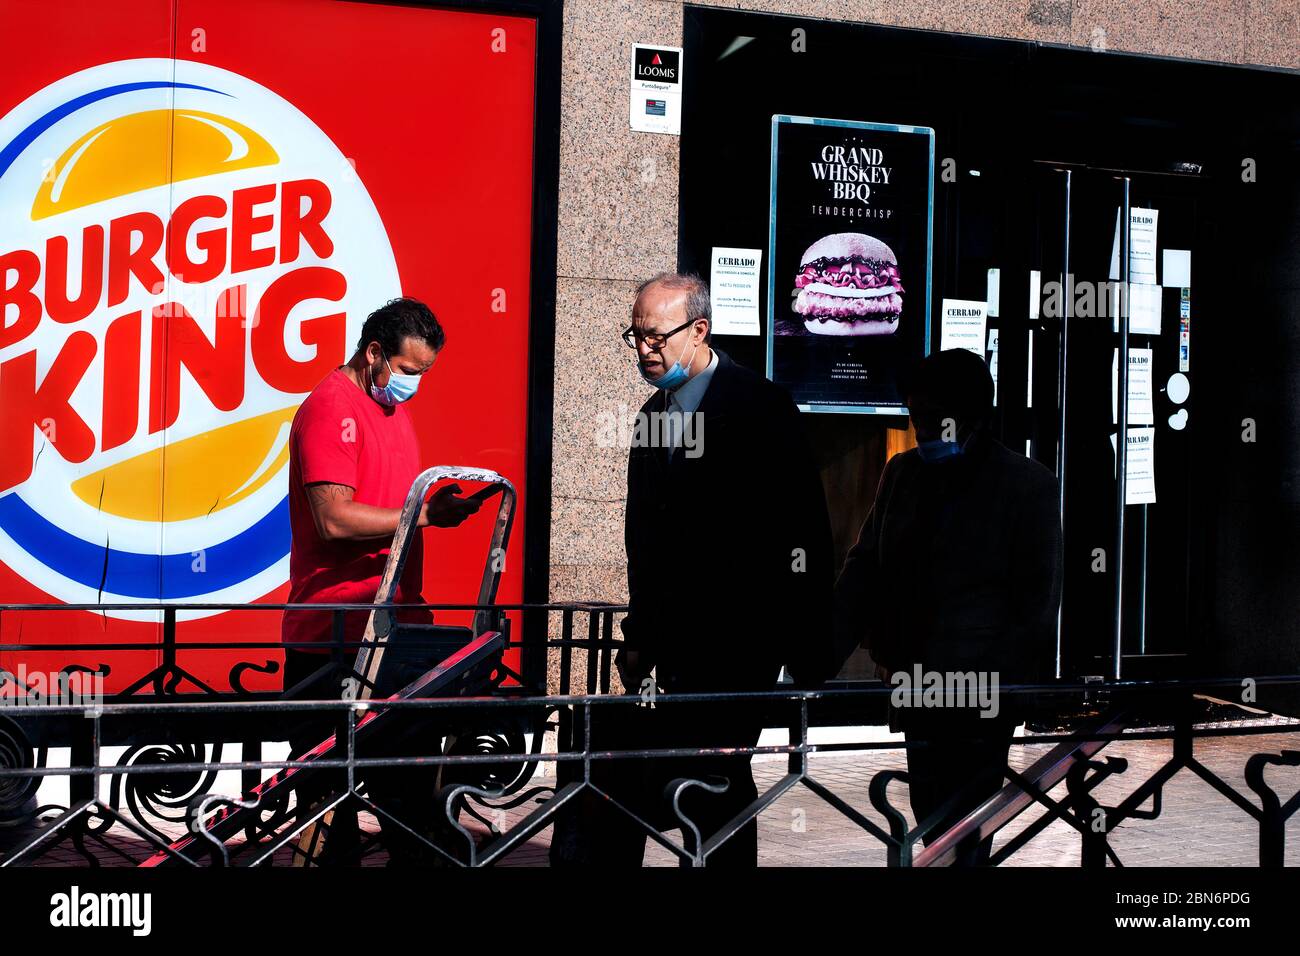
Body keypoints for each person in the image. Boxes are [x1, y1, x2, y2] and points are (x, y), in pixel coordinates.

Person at [552, 272, 835, 867]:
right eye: (635, 337)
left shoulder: (760, 405)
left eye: (656, 336)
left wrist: (804, 653)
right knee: (667, 779)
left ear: (699, 329)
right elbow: (643, 540)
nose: (645, 350)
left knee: (719, 780)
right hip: (673, 645)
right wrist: (639, 638)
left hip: (741, 644)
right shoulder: (653, 415)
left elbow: (803, 530)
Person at [834, 348, 1063, 866]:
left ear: (976, 416)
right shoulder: (903, 475)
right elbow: (865, 569)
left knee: (964, 831)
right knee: (931, 818)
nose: (924, 431)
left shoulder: (1026, 485)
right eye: (917, 419)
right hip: (917, 683)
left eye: (937, 419)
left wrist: (1008, 692)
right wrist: (821, 655)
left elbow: (1035, 605)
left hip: (982, 694)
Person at [281, 296, 481, 865]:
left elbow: (389, 507)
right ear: (374, 354)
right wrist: (422, 514)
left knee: (410, 801)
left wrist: (431, 507)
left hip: (393, 630)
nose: (415, 385)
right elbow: (334, 518)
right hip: (336, 636)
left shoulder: (392, 411)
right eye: (410, 372)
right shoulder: (330, 406)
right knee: (326, 811)